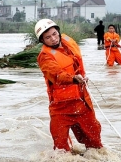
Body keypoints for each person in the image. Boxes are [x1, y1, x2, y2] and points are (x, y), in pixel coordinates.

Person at [35, 19, 103, 153]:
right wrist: (73, 79)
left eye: (54, 34)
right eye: (48, 37)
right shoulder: (45, 57)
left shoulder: (68, 43)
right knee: (60, 151)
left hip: (82, 102)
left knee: (95, 143)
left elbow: (77, 64)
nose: (53, 39)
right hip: (61, 107)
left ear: (58, 32)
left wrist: (82, 78)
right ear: (43, 41)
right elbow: (56, 74)